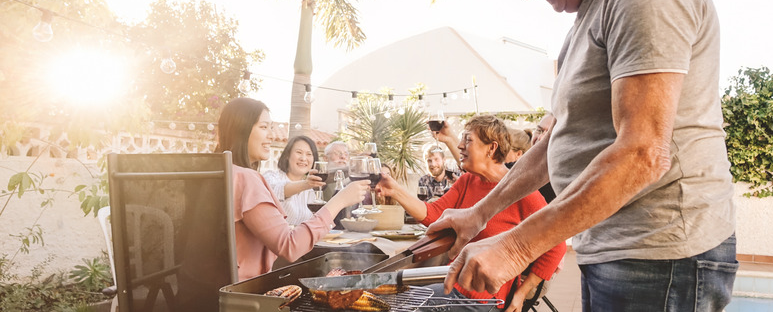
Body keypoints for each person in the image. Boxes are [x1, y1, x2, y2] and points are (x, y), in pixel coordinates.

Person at [428, 0, 737, 311]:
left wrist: (515, 249)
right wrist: (480, 214)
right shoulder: (586, 18)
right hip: (618, 251)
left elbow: (644, 152)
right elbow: (556, 142)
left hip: (663, 255)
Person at [377, 114, 565, 312]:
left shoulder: (523, 192)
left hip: (484, 299)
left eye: (468, 140)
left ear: (491, 148)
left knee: (394, 305)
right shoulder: (468, 181)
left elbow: (557, 245)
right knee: (389, 299)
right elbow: (433, 214)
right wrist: (394, 189)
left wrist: (520, 295)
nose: (459, 145)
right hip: (453, 284)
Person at [216, 97, 369, 280]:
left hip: (203, 288)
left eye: (270, 128)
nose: (271, 136)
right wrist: (340, 200)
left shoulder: (217, 173)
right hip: (242, 294)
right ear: (240, 129)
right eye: (264, 127)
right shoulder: (246, 178)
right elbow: (289, 246)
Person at [262, 135, 324, 225]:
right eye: (299, 152)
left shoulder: (309, 191)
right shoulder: (271, 177)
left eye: (309, 154)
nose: (303, 158)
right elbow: (278, 191)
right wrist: (306, 184)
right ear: (287, 155)